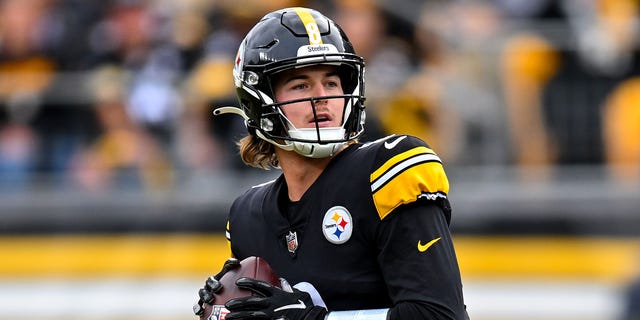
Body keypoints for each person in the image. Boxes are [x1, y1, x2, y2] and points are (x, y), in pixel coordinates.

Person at [193, 7, 469, 320]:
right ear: (259, 101)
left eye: (332, 83)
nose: (321, 96)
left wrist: (308, 319)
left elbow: (440, 315)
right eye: (300, 85)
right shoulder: (248, 216)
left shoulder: (386, 170)